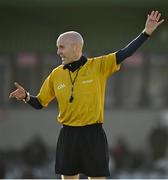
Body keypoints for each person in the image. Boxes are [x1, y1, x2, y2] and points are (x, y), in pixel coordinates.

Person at [9, 11, 164, 179]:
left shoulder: (98, 66)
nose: (58, 52)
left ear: (76, 47)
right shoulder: (56, 74)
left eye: (61, 47)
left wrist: (146, 33)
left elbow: (125, 53)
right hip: (68, 136)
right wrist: (26, 96)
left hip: (93, 135)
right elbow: (39, 103)